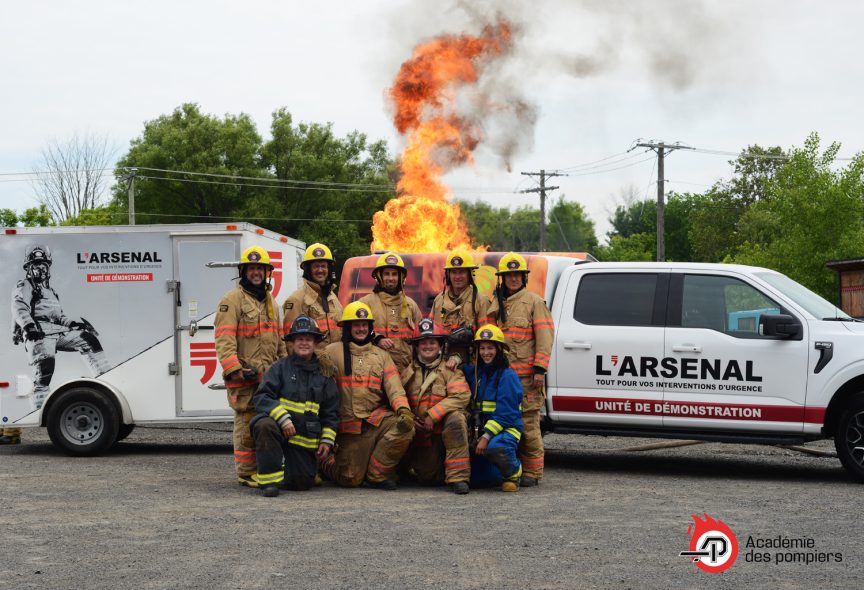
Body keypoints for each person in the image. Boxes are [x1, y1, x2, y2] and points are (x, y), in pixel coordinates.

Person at [319, 301, 415, 490]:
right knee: (350, 479)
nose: (361, 329)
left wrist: (403, 410)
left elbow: (394, 387)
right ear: (348, 327)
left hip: (375, 422)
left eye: (364, 325)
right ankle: (323, 464)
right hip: (347, 429)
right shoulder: (330, 353)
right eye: (356, 325)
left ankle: (376, 475)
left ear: (370, 327)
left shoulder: (382, 355)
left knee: (405, 428)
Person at [215, 246, 286, 488]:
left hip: (268, 377)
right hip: (245, 375)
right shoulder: (231, 300)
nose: (256, 273)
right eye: (252, 268)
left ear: (267, 272)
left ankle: (262, 467)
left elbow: (279, 339)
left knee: (264, 421)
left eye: (260, 269)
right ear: (243, 271)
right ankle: (246, 472)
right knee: (246, 421)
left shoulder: (271, 303)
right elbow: (224, 338)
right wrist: (234, 368)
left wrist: (284, 367)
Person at [11, 245, 109, 410]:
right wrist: (28, 326)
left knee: (88, 339)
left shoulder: (51, 291)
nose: (40, 268)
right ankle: (39, 409)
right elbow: (19, 306)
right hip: (38, 331)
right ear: (28, 267)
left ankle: (106, 378)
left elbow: (59, 316)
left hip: (56, 330)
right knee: (45, 370)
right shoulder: (25, 285)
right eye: (36, 264)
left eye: (44, 264)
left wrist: (73, 324)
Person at [250, 316, 338, 497]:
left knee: (301, 483)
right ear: (292, 342)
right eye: (299, 339)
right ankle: (269, 483)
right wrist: (282, 418)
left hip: (304, 442)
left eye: (308, 339)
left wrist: (326, 441)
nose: (304, 343)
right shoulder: (280, 368)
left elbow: (331, 413)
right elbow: (262, 396)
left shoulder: (325, 374)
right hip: (280, 432)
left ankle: (290, 471)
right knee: (263, 424)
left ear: (315, 343)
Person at [491, 253, 554, 487]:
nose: (513, 279)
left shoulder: (534, 303)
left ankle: (533, 472)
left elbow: (545, 337)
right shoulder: (495, 302)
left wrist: (540, 369)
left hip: (527, 378)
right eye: (509, 275)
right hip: (502, 379)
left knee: (528, 424)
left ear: (523, 278)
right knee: (502, 422)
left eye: (517, 275)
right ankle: (509, 468)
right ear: (502, 279)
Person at [399, 318, 472, 494]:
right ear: (416, 347)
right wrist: (410, 418)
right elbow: (399, 398)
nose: (428, 346)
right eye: (423, 343)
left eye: (432, 342)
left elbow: (461, 395)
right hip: (423, 433)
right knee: (427, 478)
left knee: (456, 419)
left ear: (440, 346)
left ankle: (459, 478)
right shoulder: (408, 372)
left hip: (444, 427)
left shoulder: (450, 370)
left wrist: (433, 415)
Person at [463, 324, 524, 492]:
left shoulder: (507, 376)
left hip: (504, 430)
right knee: (479, 480)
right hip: (481, 430)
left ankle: (514, 473)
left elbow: (505, 415)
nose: (485, 352)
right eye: (482, 348)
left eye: (490, 348)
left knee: (497, 448)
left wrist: (485, 437)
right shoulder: (475, 373)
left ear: (499, 349)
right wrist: (454, 359)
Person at [430, 250, 495, 371]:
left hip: (471, 366)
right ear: (448, 275)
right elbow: (431, 334)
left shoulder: (481, 301)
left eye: (462, 272)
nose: (457, 276)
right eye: (453, 272)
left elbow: (487, 339)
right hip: (441, 366)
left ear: (469, 274)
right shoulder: (439, 301)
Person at [359, 252, 423, 374]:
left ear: (401, 277)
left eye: (394, 274)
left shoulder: (411, 305)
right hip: (375, 372)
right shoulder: (365, 303)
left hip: (407, 373)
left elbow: (421, 339)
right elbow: (354, 334)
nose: (390, 278)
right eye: (386, 274)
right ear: (379, 277)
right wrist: (377, 339)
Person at [282, 243, 342, 354]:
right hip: (310, 367)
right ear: (308, 270)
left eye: (323, 266)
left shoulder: (333, 298)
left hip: (335, 366)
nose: (320, 270)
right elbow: (289, 342)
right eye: (316, 266)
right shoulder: (296, 299)